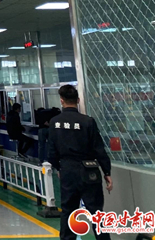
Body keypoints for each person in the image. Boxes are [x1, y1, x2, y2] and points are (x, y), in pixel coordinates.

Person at [48, 85, 112, 240]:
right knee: (96, 212)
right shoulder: (88, 121)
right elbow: (99, 149)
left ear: (61, 101)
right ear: (77, 100)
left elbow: (51, 152)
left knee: (68, 211)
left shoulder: (54, 122)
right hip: (89, 170)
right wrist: (107, 172)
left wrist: (60, 167)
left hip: (67, 170)